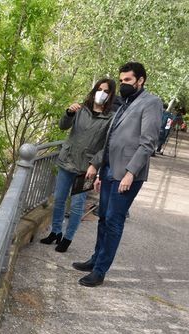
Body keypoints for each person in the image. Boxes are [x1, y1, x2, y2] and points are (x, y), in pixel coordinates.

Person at [74, 62, 163, 287]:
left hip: (127, 175)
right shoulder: (124, 104)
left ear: (140, 80)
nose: (123, 84)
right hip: (110, 170)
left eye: (128, 81)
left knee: (113, 221)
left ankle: (100, 271)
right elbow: (111, 139)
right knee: (103, 218)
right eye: (121, 80)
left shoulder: (151, 103)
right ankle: (95, 260)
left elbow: (148, 143)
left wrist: (130, 173)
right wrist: (100, 169)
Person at [40, 78, 116, 252]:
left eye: (106, 91)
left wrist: (94, 164)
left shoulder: (110, 118)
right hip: (66, 161)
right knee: (59, 199)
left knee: (76, 205)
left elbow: (107, 146)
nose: (101, 93)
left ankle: (68, 238)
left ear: (110, 95)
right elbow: (62, 126)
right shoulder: (81, 110)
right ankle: (56, 232)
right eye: (99, 89)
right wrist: (68, 113)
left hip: (86, 169)